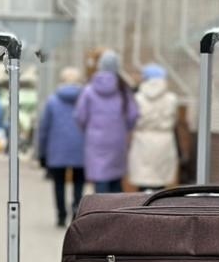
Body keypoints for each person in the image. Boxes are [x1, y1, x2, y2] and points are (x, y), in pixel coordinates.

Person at [75, 49, 138, 193]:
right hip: (117, 140)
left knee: (100, 177)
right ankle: (117, 207)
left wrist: (88, 130)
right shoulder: (123, 89)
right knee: (116, 178)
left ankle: (101, 205)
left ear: (100, 65)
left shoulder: (89, 89)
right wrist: (124, 129)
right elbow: (133, 115)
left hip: (95, 141)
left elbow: (80, 116)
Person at [38, 67, 85, 226]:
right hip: (80, 148)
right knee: (78, 183)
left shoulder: (52, 101)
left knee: (59, 183)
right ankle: (77, 213)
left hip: (57, 149)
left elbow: (44, 129)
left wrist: (42, 152)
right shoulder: (85, 100)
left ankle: (61, 215)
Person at [128, 63, 180, 193]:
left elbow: (132, 120)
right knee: (160, 182)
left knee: (142, 179)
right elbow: (175, 120)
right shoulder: (171, 99)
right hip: (164, 141)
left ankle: (142, 204)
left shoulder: (137, 98)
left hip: (142, 140)